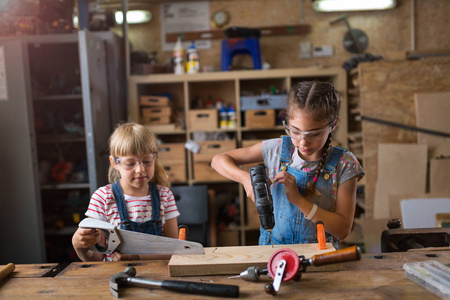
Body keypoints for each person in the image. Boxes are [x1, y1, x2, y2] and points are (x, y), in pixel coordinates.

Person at [211, 81, 364, 249]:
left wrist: (298, 200)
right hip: (271, 252)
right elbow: (218, 160)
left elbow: (342, 230)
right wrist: (245, 179)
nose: (303, 142)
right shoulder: (276, 149)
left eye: (314, 134)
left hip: (319, 257)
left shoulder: (345, 164)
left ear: (333, 124)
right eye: (295, 131)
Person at [72, 122, 179, 261]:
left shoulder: (164, 196)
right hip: (115, 278)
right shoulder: (103, 198)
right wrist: (79, 246)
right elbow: (96, 259)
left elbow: (174, 250)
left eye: (146, 161)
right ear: (114, 162)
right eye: (130, 163)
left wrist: (137, 257)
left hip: (157, 276)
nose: (140, 169)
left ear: (154, 158)